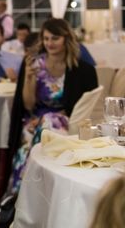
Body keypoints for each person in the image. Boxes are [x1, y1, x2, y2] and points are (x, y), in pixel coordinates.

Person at [7, 18, 98, 194]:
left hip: (65, 119)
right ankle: (22, 195)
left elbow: (85, 106)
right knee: (29, 136)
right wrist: (28, 78)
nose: (49, 43)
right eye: (46, 38)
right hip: (34, 119)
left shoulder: (81, 69)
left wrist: (46, 118)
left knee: (49, 123)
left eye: (55, 38)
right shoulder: (34, 64)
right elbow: (28, 105)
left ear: (66, 39)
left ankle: (39, 192)